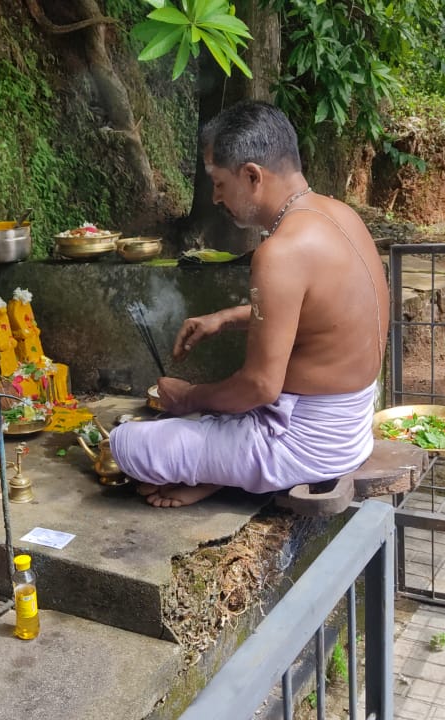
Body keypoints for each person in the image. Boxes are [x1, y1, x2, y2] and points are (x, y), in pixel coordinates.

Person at [109, 101, 389, 508]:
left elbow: (260, 386)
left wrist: (190, 396)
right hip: (351, 428)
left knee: (129, 443)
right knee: (210, 418)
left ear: (252, 175)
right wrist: (225, 318)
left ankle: (228, 470)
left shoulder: (282, 252)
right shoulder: (341, 214)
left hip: (303, 445)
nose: (217, 197)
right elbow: (321, 317)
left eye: (219, 182)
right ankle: (222, 469)